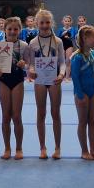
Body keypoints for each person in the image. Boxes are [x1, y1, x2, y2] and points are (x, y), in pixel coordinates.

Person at [28, 10, 66, 160]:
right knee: (41, 113)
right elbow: (31, 63)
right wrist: (31, 71)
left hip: (54, 79)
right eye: (42, 23)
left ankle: (57, 147)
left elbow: (62, 62)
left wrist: (61, 74)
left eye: (47, 22)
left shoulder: (58, 41)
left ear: (51, 23)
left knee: (55, 113)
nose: (44, 25)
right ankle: (42, 147)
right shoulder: (33, 42)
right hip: (40, 80)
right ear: (37, 23)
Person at [0, 17, 30, 161]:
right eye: (9, 29)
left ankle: (19, 148)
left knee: (16, 116)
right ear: (5, 30)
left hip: (17, 81)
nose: (12, 31)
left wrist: (24, 66)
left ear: (20, 30)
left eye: (15, 29)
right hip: (4, 81)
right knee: (5, 116)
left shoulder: (24, 45)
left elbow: (29, 65)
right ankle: (7, 148)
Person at [71, 25, 94, 161]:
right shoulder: (76, 57)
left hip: (93, 92)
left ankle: (93, 150)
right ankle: (84, 150)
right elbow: (75, 77)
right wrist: (79, 94)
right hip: (82, 92)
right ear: (85, 38)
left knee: (93, 121)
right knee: (83, 121)